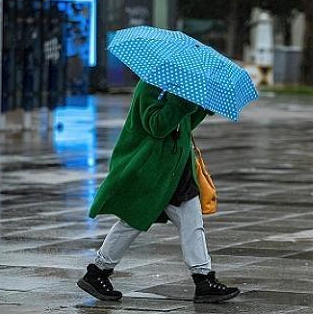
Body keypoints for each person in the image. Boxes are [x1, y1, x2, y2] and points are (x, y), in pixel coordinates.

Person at [77, 80, 239, 303]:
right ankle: (97, 272)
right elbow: (157, 125)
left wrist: (202, 106)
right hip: (151, 171)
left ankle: (203, 279)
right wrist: (182, 101)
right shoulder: (149, 88)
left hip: (176, 170)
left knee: (192, 222)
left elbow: (184, 124)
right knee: (132, 220)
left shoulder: (180, 88)